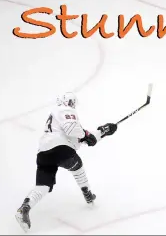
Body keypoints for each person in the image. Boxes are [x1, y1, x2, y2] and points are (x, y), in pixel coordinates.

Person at [15, 92, 117, 232]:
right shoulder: (64, 109)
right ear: (68, 101)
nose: (73, 105)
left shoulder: (56, 118)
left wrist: (103, 131)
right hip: (60, 149)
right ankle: (87, 193)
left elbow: (80, 136)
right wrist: (86, 135)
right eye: (73, 102)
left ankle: (24, 209)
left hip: (44, 153)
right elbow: (72, 129)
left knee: (43, 186)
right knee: (78, 166)